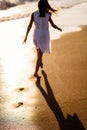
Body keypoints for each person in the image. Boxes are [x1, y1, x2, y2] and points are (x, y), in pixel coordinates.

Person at [23, 0, 62, 78]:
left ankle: (40, 62)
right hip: (44, 35)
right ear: (46, 6)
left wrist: (26, 37)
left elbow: (29, 25)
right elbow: (53, 25)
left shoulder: (33, 14)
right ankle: (35, 72)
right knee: (40, 55)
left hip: (36, 35)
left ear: (38, 6)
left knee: (39, 51)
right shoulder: (47, 15)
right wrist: (58, 28)